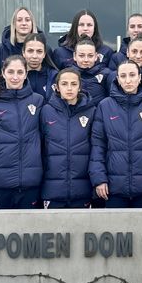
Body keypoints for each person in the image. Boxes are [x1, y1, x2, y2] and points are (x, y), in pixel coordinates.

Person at [90, 61, 142, 208]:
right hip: (113, 188)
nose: (128, 80)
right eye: (123, 76)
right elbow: (98, 146)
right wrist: (99, 179)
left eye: (132, 75)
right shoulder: (104, 106)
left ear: (140, 77)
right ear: (117, 79)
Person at [0, 55, 44, 209]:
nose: (15, 77)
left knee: (28, 232)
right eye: (11, 72)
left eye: (20, 72)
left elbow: (45, 142)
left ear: (26, 74)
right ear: (3, 73)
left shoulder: (38, 101)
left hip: (30, 182)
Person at [40, 68, 97, 208]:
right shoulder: (46, 111)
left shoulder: (92, 111)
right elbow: (40, 148)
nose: (69, 88)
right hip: (52, 189)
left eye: (74, 84)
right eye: (64, 84)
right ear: (57, 87)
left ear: (80, 87)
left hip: (82, 189)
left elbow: (96, 147)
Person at [72, 38, 111, 105]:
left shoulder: (107, 74)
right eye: (81, 56)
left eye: (90, 56)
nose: (86, 60)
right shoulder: (67, 75)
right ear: (75, 56)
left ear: (96, 56)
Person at [22, 33, 59, 100]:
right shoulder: (16, 76)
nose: (34, 56)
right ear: (23, 53)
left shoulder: (54, 77)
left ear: (44, 54)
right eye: (30, 51)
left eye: (39, 51)